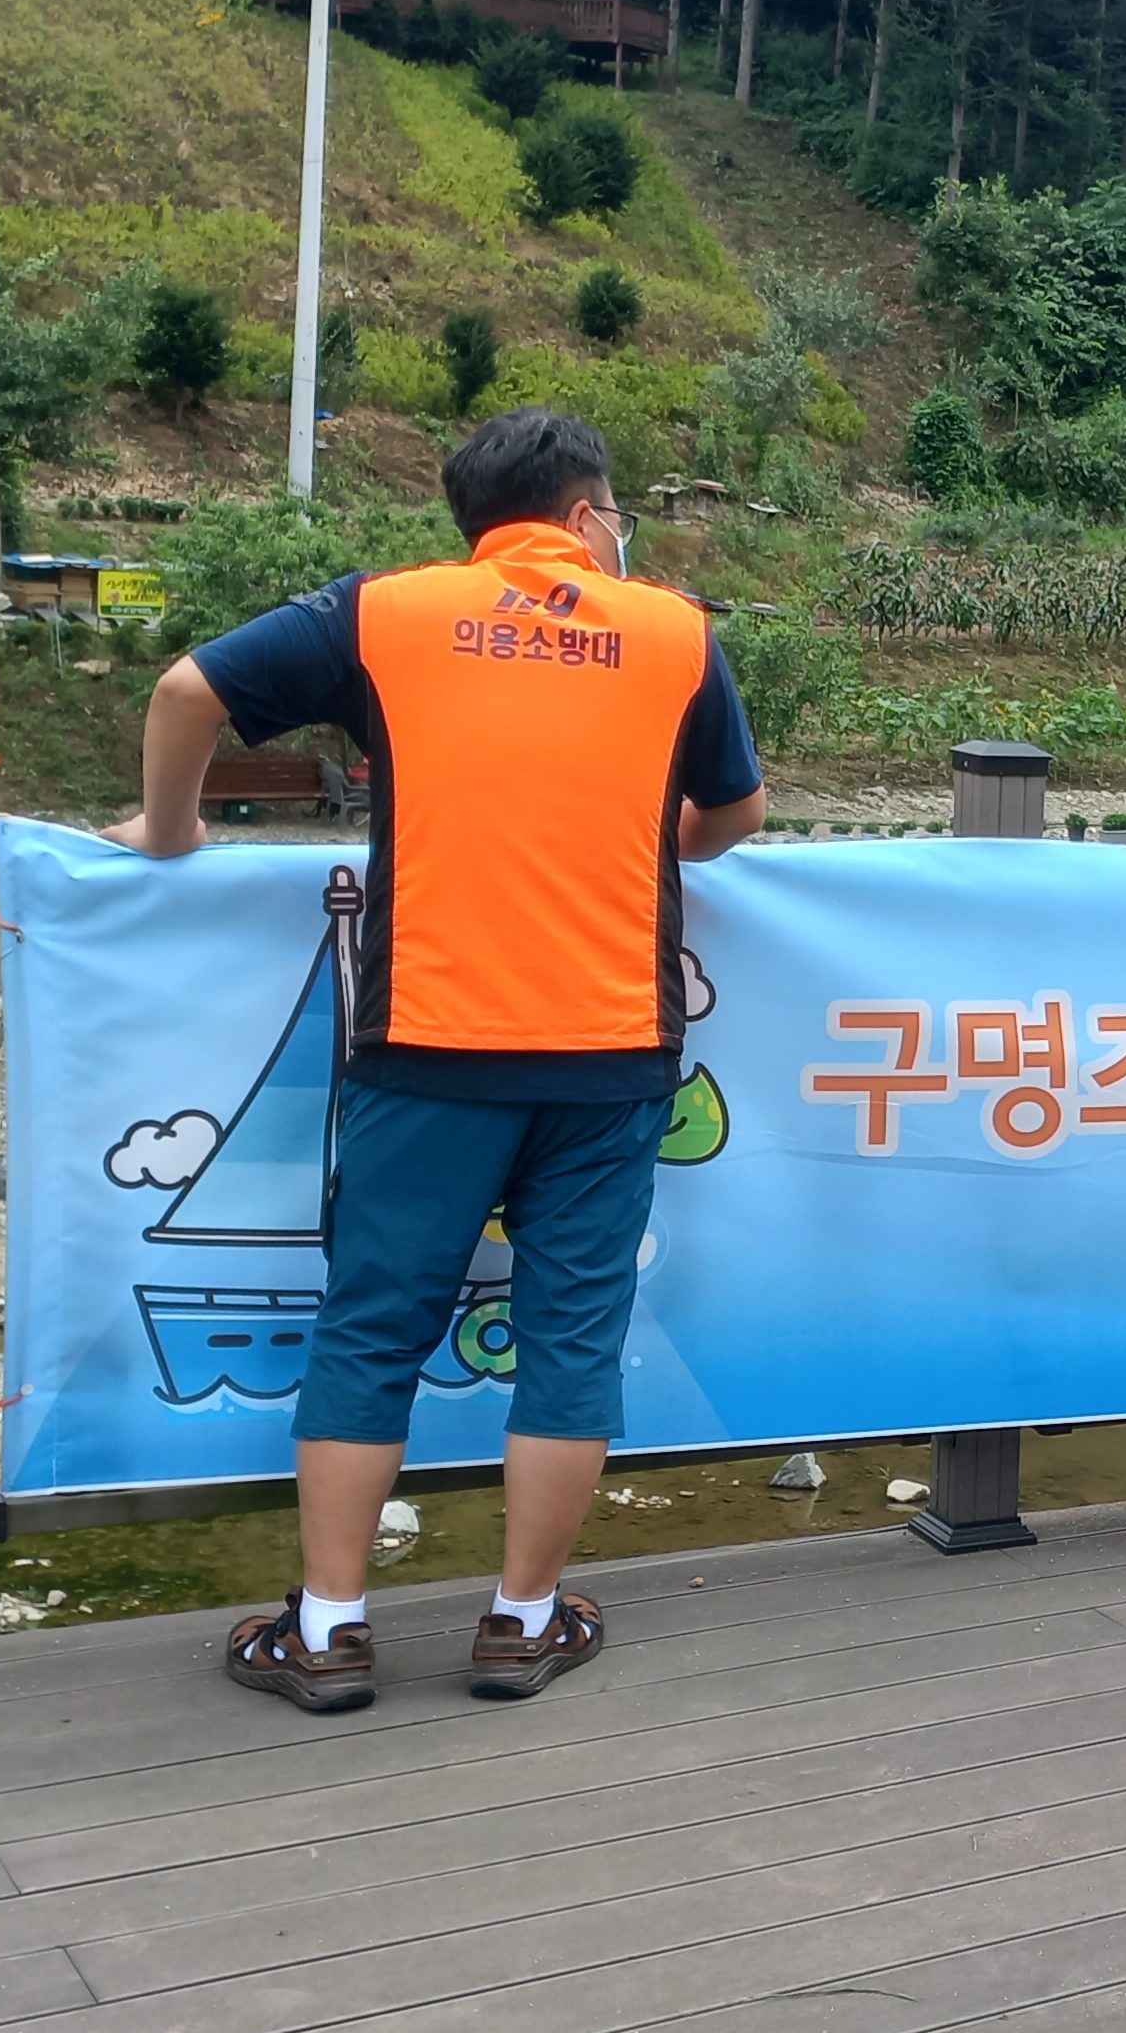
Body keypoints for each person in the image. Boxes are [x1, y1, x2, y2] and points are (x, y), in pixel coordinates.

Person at [110, 405, 767, 1708]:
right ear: (584, 515)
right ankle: (522, 1624)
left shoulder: (386, 613)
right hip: (610, 1050)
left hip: (427, 1042)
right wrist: (648, 842)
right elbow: (735, 811)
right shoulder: (676, 634)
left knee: (370, 1327)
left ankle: (329, 1633)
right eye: (618, 515)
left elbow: (188, 691)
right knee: (571, 1337)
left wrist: (170, 834)